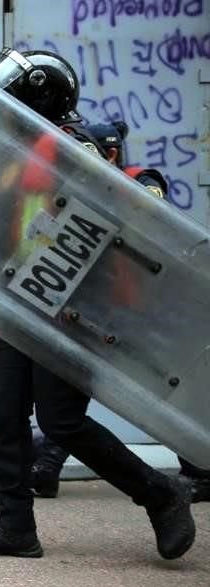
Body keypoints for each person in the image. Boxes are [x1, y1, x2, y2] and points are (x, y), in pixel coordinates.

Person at [0, 50, 195, 560]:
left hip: (65, 304)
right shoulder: (14, 148)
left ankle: (160, 493)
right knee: (7, 411)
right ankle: (15, 525)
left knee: (61, 421)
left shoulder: (74, 146)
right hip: (17, 300)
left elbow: (97, 230)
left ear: (39, 94)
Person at [30, 120, 210, 504]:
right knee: (70, 395)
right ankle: (47, 467)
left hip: (147, 311)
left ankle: (200, 472)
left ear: (107, 154)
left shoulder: (138, 178)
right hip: (104, 311)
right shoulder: (76, 194)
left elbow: (150, 206)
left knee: (161, 390)